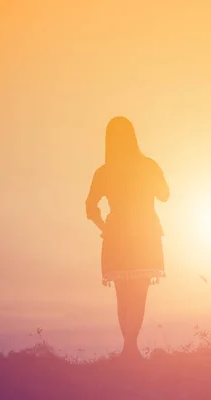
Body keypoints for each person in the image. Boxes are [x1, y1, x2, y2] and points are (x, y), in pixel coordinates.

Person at [85, 116, 169, 361]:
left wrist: (104, 227)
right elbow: (165, 195)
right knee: (139, 292)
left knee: (123, 294)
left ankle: (129, 347)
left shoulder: (104, 171)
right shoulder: (148, 165)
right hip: (145, 235)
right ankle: (131, 348)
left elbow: (90, 207)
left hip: (117, 237)